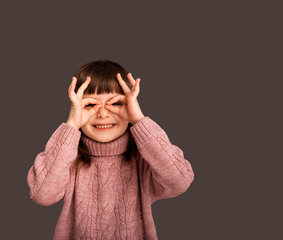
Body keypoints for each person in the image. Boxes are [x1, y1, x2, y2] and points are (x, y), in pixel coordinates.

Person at [27, 59, 195, 240]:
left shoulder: (144, 159)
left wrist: (139, 119)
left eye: (115, 103)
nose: (103, 114)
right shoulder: (69, 158)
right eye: (90, 105)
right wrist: (72, 124)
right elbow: (43, 195)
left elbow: (180, 181)